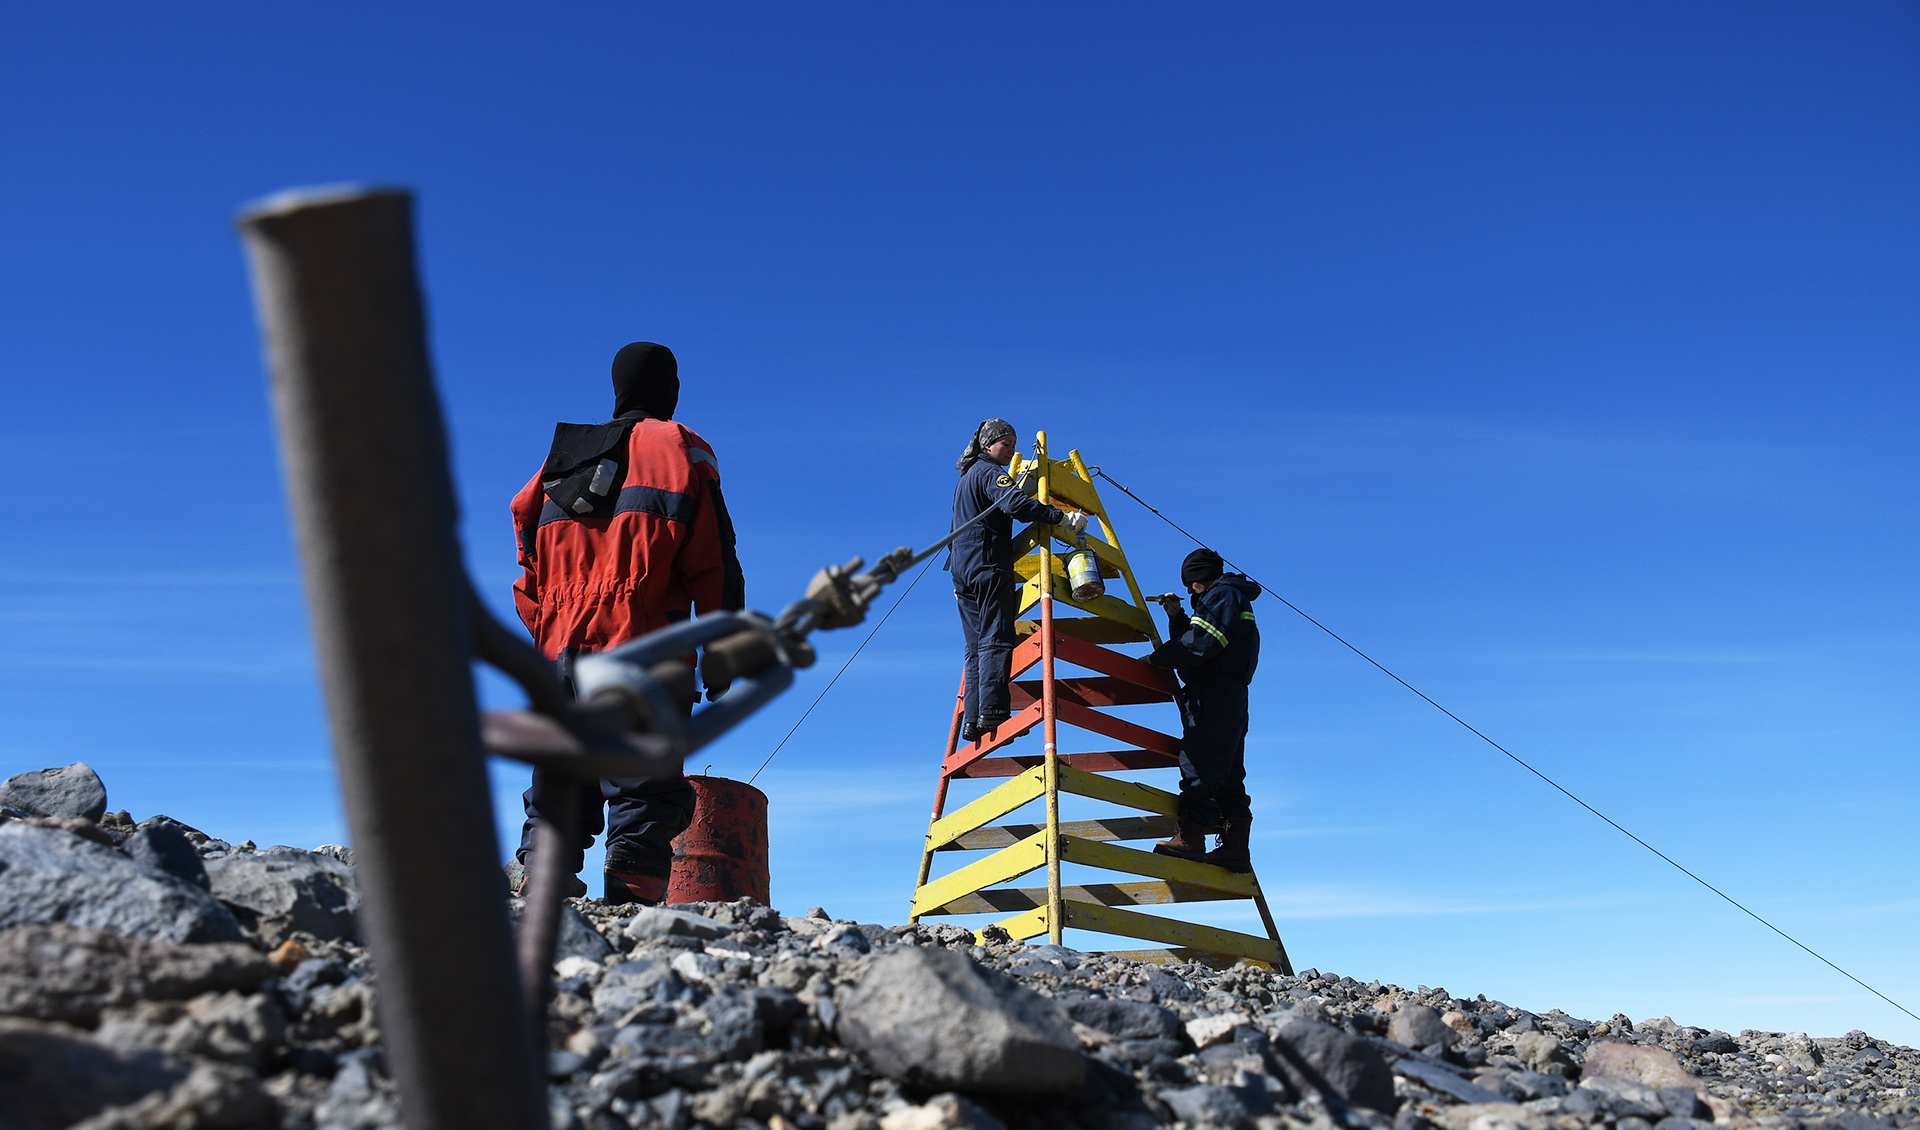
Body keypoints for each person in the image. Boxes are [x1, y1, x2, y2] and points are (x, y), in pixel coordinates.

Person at [509, 341, 745, 904]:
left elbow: (526, 562)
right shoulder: (680, 448)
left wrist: (550, 633)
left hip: (560, 647)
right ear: (672, 389)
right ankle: (633, 910)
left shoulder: (562, 458)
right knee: (643, 780)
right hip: (642, 641)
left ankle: (542, 883)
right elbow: (714, 558)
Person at [947, 419, 1087, 743]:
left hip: (961, 568)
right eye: (1005, 444)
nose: (1009, 449)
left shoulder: (967, 478)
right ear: (987, 446)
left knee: (974, 646)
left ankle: (973, 719)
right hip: (987, 563)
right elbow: (1015, 504)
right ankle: (993, 711)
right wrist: (1062, 517)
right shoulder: (987, 472)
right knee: (996, 635)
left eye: (1013, 444)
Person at [1149, 547, 1261, 872]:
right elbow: (1200, 638)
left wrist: (1158, 659)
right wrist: (1175, 617)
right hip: (1230, 693)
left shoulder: (1223, 596)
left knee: (1199, 759)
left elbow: (1200, 644)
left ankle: (1191, 837)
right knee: (1227, 774)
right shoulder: (1229, 599)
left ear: (1201, 578)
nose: (1189, 591)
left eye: (1192, 584)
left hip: (1214, 692)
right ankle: (1235, 848)